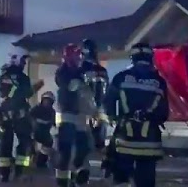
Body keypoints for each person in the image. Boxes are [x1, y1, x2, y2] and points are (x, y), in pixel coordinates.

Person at [104, 42, 170, 187]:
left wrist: (114, 118)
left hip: (124, 137)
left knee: (121, 177)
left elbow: (108, 102)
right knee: (145, 181)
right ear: (150, 57)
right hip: (150, 141)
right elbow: (164, 112)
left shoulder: (120, 77)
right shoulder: (159, 82)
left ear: (132, 58)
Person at [53, 43, 98, 187]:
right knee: (65, 153)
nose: (79, 57)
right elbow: (71, 86)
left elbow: (91, 92)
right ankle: (62, 183)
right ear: (68, 56)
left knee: (83, 150)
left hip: (81, 116)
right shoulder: (62, 72)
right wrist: (83, 79)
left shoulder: (83, 69)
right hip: (67, 116)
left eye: (80, 55)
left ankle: (77, 177)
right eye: (76, 55)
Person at [0, 54, 35, 182]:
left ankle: (4, 174)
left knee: (5, 143)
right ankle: (19, 171)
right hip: (20, 114)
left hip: (5, 113)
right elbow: (27, 93)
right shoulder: (23, 77)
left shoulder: (4, 75)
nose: (24, 64)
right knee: (24, 143)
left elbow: (2, 93)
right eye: (23, 61)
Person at [78, 38, 111, 184]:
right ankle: (107, 168)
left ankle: (83, 173)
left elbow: (78, 92)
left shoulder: (80, 69)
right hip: (101, 111)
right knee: (101, 143)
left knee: (84, 144)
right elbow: (107, 92)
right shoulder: (102, 71)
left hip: (86, 112)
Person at [30, 91, 57, 169]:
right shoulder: (37, 108)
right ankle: (26, 162)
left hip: (45, 133)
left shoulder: (52, 112)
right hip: (33, 132)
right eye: (45, 100)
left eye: (49, 101)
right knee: (28, 144)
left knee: (49, 142)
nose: (47, 102)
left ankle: (41, 161)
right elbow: (29, 118)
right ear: (42, 100)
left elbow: (54, 123)